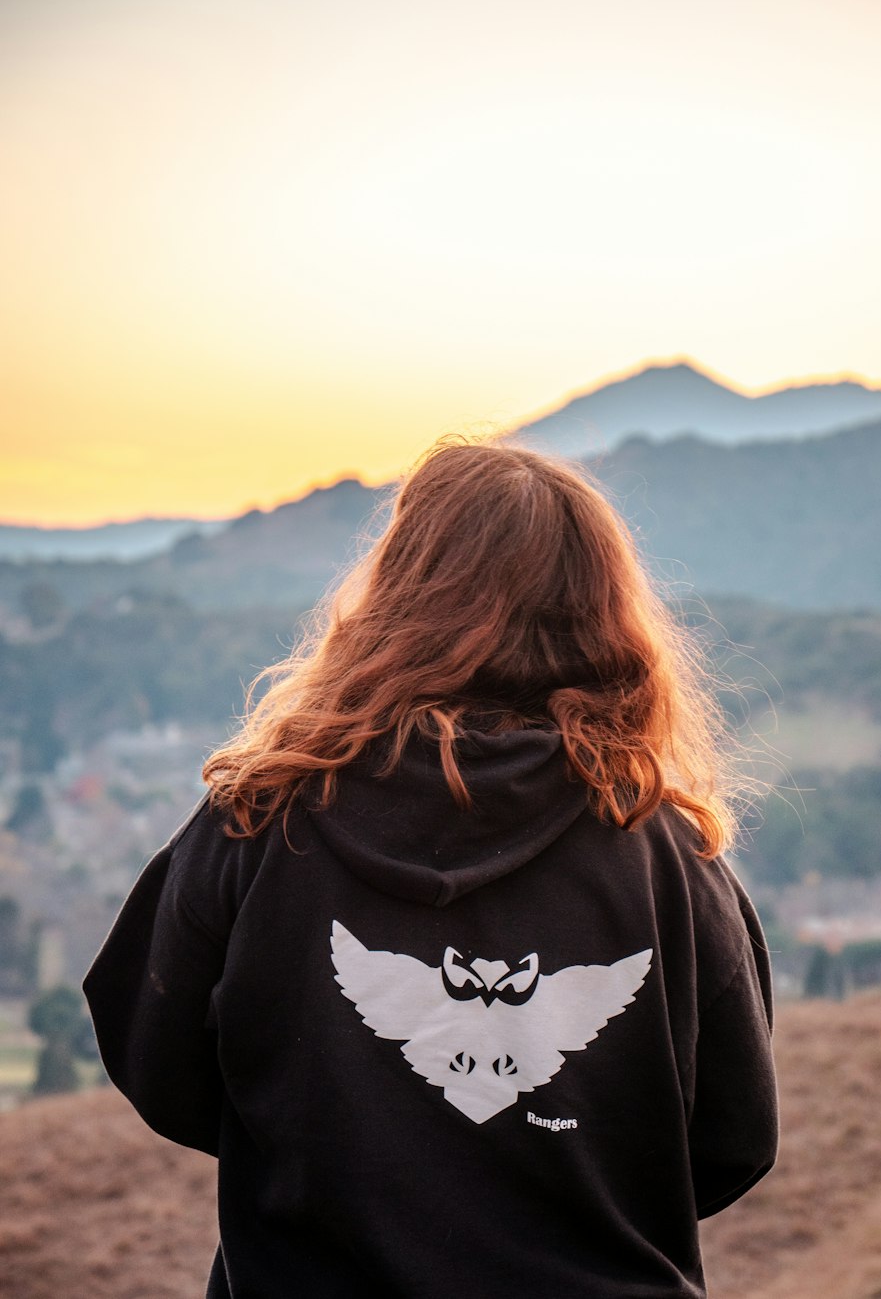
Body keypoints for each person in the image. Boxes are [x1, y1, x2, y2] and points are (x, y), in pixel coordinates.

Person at [84, 439, 778, 1299]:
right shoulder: (667, 852)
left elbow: (156, 1061)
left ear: (398, 595)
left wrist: (333, 1158)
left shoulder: (259, 821)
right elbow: (733, 1138)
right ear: (605, 614)